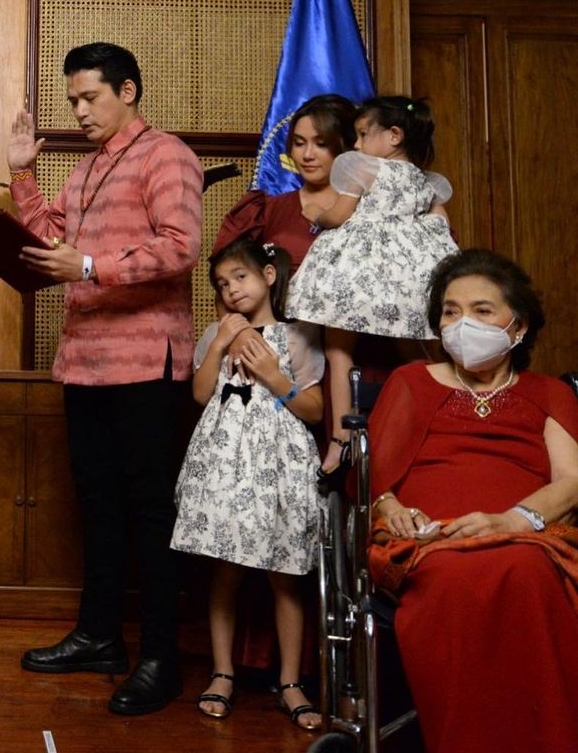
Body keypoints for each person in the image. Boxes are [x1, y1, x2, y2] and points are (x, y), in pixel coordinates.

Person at [8, 42, 202, 715]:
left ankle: (160, 657)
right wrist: (21, 174)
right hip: (84, 362)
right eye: (72, 101)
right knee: (97, 505)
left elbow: (180, 248)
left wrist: (88, 267)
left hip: (146, 362)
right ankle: (99, 637)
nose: (80, 111)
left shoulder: (166, 154)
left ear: (128, 91)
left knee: (152, 512)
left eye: (90, 97)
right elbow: (52, 236)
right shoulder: (87, 169)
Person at [367, 249, 578, 753]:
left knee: (525, 571)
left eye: (482, 311)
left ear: (519, 324)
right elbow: (374, 482)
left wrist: (511, 520)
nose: (463, 323)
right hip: (431, 540)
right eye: (451, 311)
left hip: (529, 535)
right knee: (454, 579)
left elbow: (571, 482)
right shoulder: (410, 383)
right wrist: (390, 508)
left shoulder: (549, 392)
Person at [171, 240, 324, 731]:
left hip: (279, 464)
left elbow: (316, 410)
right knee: (226, 570)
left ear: (270, 276)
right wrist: (219, 343)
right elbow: (199, 394)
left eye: (240, 277)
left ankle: (290, 682)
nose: (231, 289)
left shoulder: (298, 336)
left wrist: (276, 379)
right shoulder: (216, 332)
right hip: (225, 466)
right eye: (222, 283)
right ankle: (221, 672)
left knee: (286, 573)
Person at [285, 96, 459, 474]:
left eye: (364, 134)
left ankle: (340, 439)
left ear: (394, 136)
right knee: (415, 349)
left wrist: (317, 213)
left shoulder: (363, 169)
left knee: (337, 349)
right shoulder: (424, 182)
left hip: (358, 283)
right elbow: (441, 229)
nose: (358, 144)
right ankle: (446, 415)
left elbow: (339, 215)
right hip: (405, 285)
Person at [211, 93, 358, 271]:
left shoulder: (373, 205)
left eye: (321, 144)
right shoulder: (265, 211)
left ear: (348, 146)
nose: (307, 155)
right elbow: (228, 282)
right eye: (299, 143)